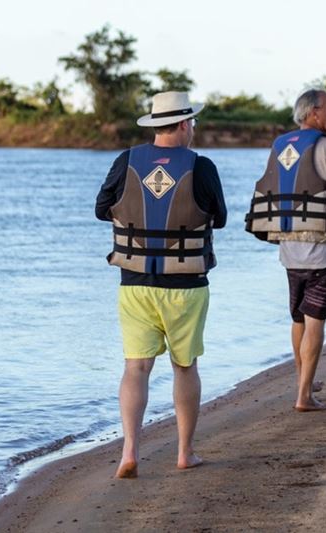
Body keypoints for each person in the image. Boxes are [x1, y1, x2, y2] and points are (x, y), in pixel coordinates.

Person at [95, 91, 227, 478]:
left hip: (134, 283)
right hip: (186, 285)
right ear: (185, 124)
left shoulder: (125, 161)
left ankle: (130, 451)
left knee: (136, 367)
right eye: (194, 124)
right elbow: (217, 218)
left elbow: (101, 208)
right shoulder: (201, 166)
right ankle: (185, 452)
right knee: (184, 366)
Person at [245, 89, 326, 412]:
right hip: (324, 251)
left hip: (289, 250)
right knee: (315, 321)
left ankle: (304, 382)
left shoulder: (279, 146)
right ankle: (304, 397)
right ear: (314, 113)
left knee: (298, 317)